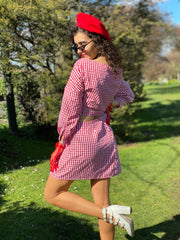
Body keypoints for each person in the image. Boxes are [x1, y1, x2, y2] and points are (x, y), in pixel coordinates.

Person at [44, 13, 135, 239]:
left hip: (81, 138)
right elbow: (128, 94)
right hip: (103, 137)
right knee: (103, 202)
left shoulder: (82, 67)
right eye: (76, 47)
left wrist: (62, 140)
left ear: (98, 39)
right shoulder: (115, 70)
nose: (79, 51)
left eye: (82, 44)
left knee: (53, 194)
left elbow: (69, 110)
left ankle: (113, 215)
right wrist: (110, 105)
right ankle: (112, 214)